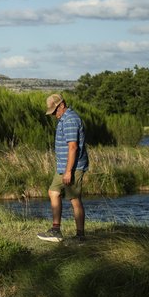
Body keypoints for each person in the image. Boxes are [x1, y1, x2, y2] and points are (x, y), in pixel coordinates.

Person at [38, 93, 88, 243]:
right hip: (63, 167)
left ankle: (80, 236)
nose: (54, 115)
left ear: (62, 105)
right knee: (53, 192)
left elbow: (73, 147)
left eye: (55, 111)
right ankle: (56, 230)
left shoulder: (70, 120)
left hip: (72, 167)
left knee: (74, 199)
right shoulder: (64, 119)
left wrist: (68, 171)